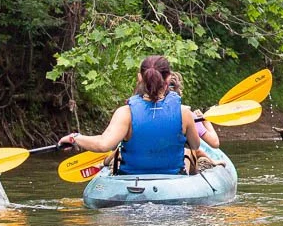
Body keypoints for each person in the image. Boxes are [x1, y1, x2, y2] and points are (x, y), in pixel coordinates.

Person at [59, 55, 201, 174]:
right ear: (169, 78)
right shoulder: (184, 113)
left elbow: (103, 144)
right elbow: (195, 145)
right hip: (173, 183)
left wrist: (75, 138)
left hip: (132, 185)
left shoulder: (125, 113)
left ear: (140, 77)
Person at [169, 70, 220, 149]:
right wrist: (206, 121)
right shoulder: (188, 115)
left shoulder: (151, 113)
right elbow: (215, 143)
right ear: (180, 92)